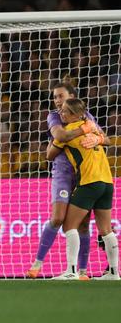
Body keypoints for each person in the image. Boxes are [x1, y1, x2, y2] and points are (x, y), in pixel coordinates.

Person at [26, 81, 108, 279]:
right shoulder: (54, 116)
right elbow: (59, 136)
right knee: (58, 217)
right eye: (54, 97)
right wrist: (83, 130)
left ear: (72, 97)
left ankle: (81, 271)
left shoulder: (87, 116)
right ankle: (37, 264)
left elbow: (105, 138)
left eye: (60, 96)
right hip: (63, 173)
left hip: (85, 174)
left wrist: (96, 138)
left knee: (83, 223)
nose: (56, 101)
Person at [49, 98, 118, 280]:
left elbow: (49, 155)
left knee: (69, 225)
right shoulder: (94, 128)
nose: (61, 114)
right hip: (107, 182)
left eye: (65, 111)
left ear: (75, 114)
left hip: (89, 183)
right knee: (106, 229)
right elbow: (108, 140)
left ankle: (71, 271)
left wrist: (57, 139)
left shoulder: (69, 131)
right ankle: (113, 272)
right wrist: (99, 138)